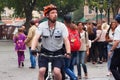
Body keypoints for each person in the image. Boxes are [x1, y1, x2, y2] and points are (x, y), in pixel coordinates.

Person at [31, 4, 71, 80]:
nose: (55, 14)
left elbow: (66, 40)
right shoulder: (42, 26)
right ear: (47, 15)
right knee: (41, 71)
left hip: (58, 53)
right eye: (52, 13)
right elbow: (36, 37)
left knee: (56, 72)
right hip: (45, 52)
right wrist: (33, 49)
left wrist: (68, 52)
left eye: (56, 12)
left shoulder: (62, 26)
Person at [63, 15, 79, 80]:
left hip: (68, 49)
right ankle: (72, 78)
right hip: (75, 48)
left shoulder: (65, 29)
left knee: (65, 67)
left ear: (64, 21)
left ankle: (74, 77)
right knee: (71, 66)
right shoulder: (75, 28)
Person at [109, 14, 120, 80]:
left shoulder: (118, 29)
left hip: (118, 50)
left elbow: (117, 41)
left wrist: (111, 50)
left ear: (116, 21)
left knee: (112, 67)